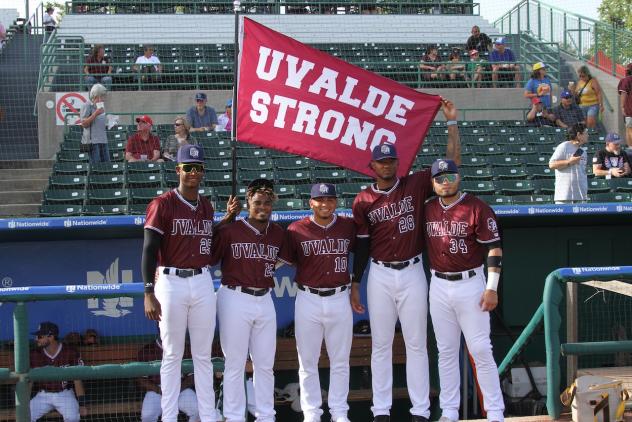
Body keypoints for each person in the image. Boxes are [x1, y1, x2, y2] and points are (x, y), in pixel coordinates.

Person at [351, 100, 461, 422]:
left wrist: (451, 123)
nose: (387, 165)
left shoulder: (414, 184)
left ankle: (420, 411)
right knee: (381, 345)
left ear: (398, 162)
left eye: (391, 160)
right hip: (380, 275)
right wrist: (356, 282)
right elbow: (361, 244)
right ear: (372, 166)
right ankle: (381, 411)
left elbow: (451, 165)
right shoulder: (363, 199)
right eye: (381, 161)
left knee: (416, 344)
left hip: (413, 271)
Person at [142, 144, 240, 422]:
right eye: (188, 167)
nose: (193, 172)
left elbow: (204, 236)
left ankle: (208, 416)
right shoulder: (162, 203)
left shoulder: (206, 205)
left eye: (198, 168)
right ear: (178, 170)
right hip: (171, 281)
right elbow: (149, 249)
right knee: (172, 355)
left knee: (202, 355)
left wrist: (226, 220)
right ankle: (169, 416)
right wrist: (148, 291)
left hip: (201, 281)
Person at [424, 159, 505, 422]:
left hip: (470, 282)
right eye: (439, 178)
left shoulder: (477, 207)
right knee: (446, 350)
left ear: (458, 177)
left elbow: (494, 247)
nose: (445, 182)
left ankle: (494, 411)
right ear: (433, 182)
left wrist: (491, 288)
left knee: (480, 349)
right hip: (438, 283)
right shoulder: (427, 209)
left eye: (449, 176)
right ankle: (449, 411)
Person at [278, 183, 356, 422]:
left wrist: (356, 285)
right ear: (310, 203)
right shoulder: (296, 229)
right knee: (307, 361)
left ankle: (339, 413)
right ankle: (311, 413)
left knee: (340, 360)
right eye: (319, 200)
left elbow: (361, 253)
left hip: (339, 297)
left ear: (335, 201)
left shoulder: (347, 227)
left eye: (330, 199)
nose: (325, 204)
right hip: (308, 298)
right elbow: (285, 261)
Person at [211, 178, 284, 422]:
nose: (262, 206)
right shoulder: (231, 229)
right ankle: (234, 418)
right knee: (234, 364)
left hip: (264, 299)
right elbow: (207, 251)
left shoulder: (277, 233)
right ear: (248, 202)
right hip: (235, 296)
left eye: (267, 202)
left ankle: (266, 416)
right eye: (257, 202)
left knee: (265, 365)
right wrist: (226, 218)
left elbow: (287, 257)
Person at [137, 330, 202, 422]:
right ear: (159, 331)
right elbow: (141, 379)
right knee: (147, 415)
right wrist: (158, 390)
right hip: (157, 390)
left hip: (180, 388)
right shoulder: (147, 350)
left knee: (198, 411)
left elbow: (192, 377)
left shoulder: (184, 348)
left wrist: (178, 389)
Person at [29, 322, 86, 422]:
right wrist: (23, 404)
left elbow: (77, 380)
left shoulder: (70, 352)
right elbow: (29, 382)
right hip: (43, 395)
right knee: (25, 416)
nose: (36, 339)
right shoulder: (34, 354)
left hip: (64, 394)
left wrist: (82, 404)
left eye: (39, 336)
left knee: (73, 418)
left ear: (50, 337)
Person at [549, 122, 589, 204]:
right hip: (565, 196)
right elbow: (551, 164)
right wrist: (569, 161)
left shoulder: (583, 151)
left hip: (581, 196)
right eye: (586, 133)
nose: (588, 135)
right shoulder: (564, 146)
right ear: (578, 135)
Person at [79, 83, 109, 163]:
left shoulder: (102, 106)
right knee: (96, 166)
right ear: (95, 96)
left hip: (103, 140)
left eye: (103, 96)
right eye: (101, 96)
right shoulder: (87, 105)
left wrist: (109, 122)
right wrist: (95, 114)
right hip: (92, 142)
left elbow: (101, 123)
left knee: (106, 165)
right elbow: (84, 124)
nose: (103, 98)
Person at [571, 65, 604, 129]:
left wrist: (601, 105)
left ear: (587, 74)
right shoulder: (579, 82)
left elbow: (599, 93)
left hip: (592, 105)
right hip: (582, 105)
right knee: (583, 124)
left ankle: (591, 135)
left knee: (590, 123)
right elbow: (576, 95)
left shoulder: (593, 81)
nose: (581, 78)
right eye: (580, 76)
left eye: (583, 76)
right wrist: (572, 90)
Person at [617, 64, 632, 149]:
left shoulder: (626, 80)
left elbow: (624, 93)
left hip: (630, 110)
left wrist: (622, 106)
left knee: (629, 129)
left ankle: (630, 148)